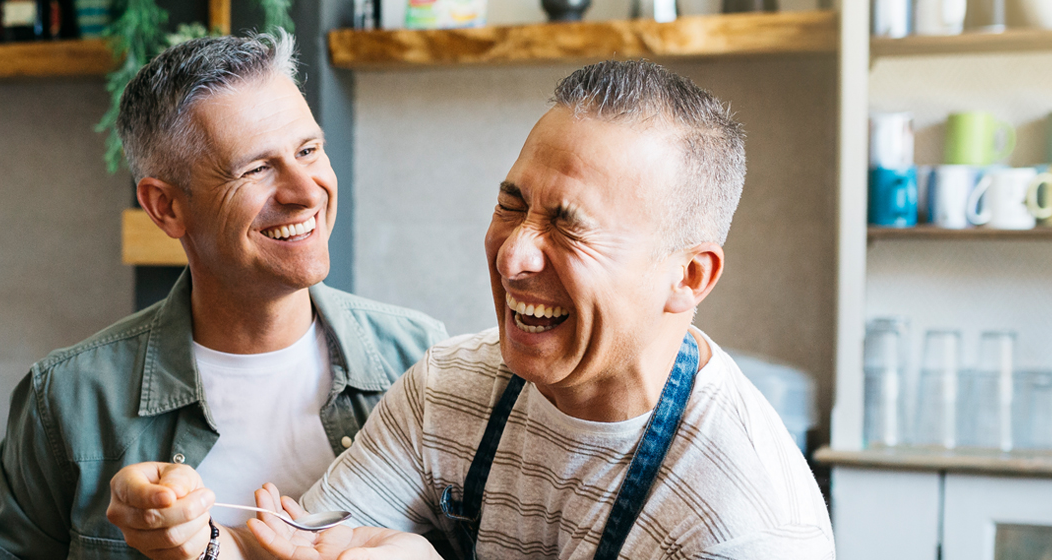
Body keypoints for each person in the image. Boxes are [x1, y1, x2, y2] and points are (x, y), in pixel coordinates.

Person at [106, 60, 835, 559]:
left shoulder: (747, 527)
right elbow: (292, 544)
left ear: (690, 275)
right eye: (511, 205)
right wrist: (193, 538)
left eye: (569, 225)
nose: (514, 255)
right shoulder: (451, 387)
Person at [0, 33, 448, 560]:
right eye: (257, 169)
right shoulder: (68, 400)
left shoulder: (425, 362)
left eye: (308, 150)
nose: (306, 192)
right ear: (165, 207)